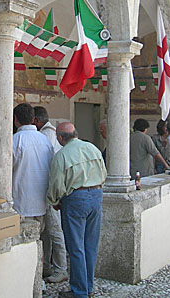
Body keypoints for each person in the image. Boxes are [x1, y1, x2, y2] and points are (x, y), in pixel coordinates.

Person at [47, 122, 106, 298]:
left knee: (76, 247)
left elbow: (57, 183)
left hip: (76, 198)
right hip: (96, 194)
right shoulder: (92, 148)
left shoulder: (62, 155)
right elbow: (103, 172)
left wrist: (54, 200)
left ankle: (79, 291)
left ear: (60, 138)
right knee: (90, 245)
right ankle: (88, 287)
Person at [33, 106, 68, 283]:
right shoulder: (50, 134)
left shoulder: (46, 135)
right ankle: (46, 265)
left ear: (36, 121)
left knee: (54, 231)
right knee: (47, 233)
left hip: (50, 191)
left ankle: (61, 268)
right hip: (50, 189)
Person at [12, 103, 54, 228]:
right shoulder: (45, 140)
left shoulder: (15, 140)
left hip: (20, 203)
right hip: (40, 203)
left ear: (15, 119)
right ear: (33, 119)